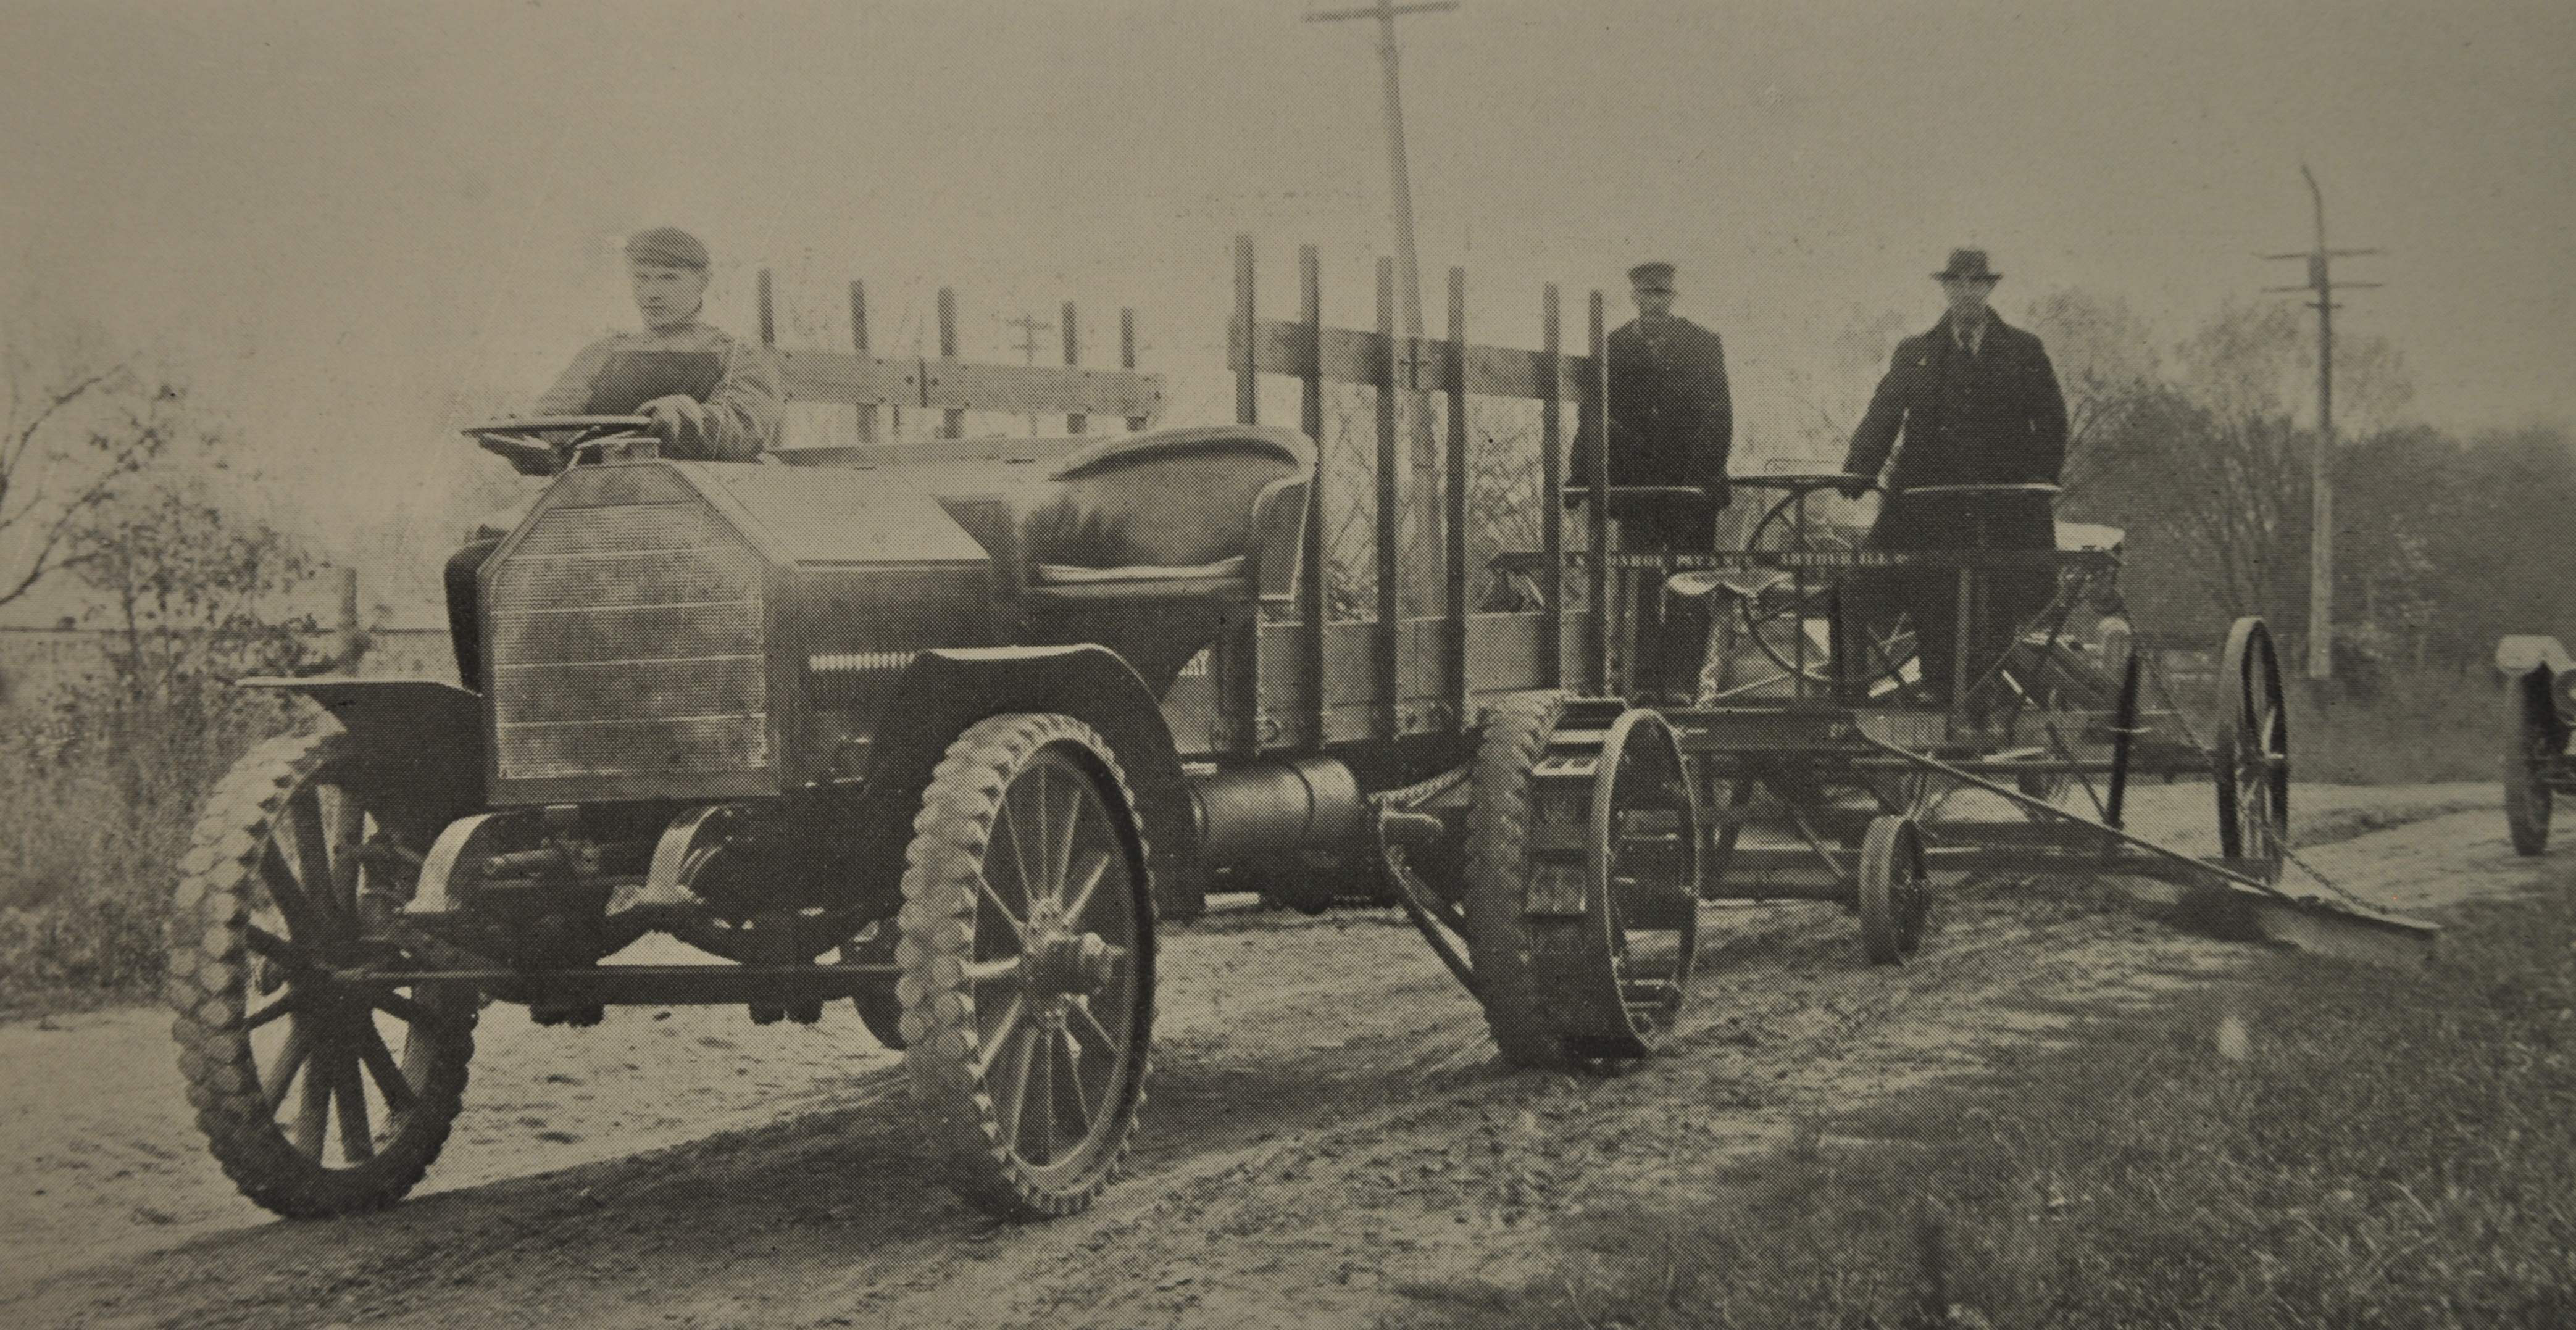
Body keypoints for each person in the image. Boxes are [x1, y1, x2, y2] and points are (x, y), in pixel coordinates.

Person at [444, 226, 784, 691]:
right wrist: (520, 431)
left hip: (685, 516)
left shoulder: (736, 357)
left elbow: (742, 428)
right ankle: (486, 704)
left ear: (704, 281)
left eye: (668, 278)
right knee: (471, 567)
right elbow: (554, 417)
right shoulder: (604, 353)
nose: (651, 293)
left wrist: (683, 416)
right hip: (586, 511)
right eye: (641, 279)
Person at [1839, 247, 2070, 708]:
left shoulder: (2024, 351)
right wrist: (1858, 471)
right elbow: (1884, 414)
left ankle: (1983, 686)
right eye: (1956, 284)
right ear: (1944, 290)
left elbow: (2051, 423)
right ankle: (1913, 686)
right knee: (1886, 582)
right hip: (1926, 500)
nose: (1965, 293)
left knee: (1996, 589)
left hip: (2003, 503)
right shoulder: (1916, 352)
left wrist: (2034, 487)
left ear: (1988, 289)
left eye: (1975, 284)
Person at [1568, 260, 1734, 702]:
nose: (1653, 303)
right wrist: (1577, 474)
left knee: (1690, 584)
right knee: (1637, 582)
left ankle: (1680, 683)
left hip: (1691, 488)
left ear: (1672, 297)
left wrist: (1698, 483)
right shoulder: (1615, 345)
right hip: (1639, 490)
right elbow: (1593, 414)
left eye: (1661, 295)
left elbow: (1718, 416)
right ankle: (1641, 682)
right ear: (1634, 298)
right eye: (1646, 295)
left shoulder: (1702, 344)